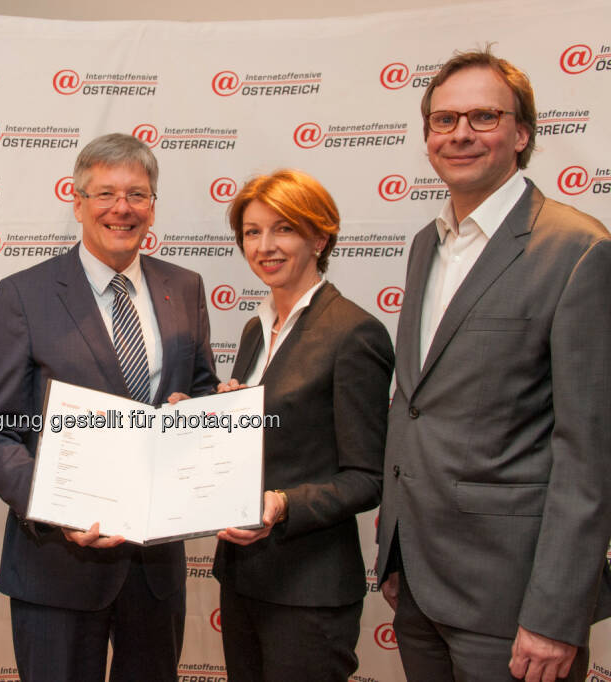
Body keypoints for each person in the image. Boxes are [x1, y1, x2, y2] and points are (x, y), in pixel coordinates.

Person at [376, 48, 611, 682]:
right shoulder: (428, 243)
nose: (460, 134)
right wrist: (393, 552)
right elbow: (417, 405)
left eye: (483, 116)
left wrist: (556, 614)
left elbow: (589, 452)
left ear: (522, 132)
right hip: (421, 584)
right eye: (443, 119)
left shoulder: (578, 250)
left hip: (513, 602)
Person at [0, 132, 218, 681]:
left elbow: (201, 391)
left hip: (155, 572)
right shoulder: (24, 294)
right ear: (77, 201)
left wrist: (198, 417)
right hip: (58, 566)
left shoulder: (186, 287)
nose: (122, 208)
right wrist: (58, 507)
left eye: (137, 194)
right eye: (105, 193)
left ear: (153, 206)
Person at [212, 170, 394, 681]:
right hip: (242, 577)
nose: (265, 246)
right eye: (251, 232)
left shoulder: (354, 332)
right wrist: (211, 420)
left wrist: (285, 503)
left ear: (320, 236)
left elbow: (367, 476)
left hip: (309, 591)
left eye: (284, 228)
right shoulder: (255, 328)